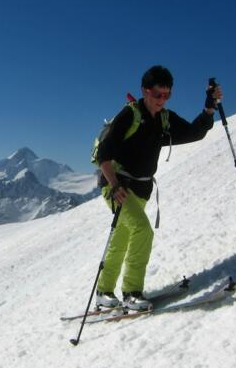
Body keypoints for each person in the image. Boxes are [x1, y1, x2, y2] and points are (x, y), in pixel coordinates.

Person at [94, 65, 222, 310]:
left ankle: (104, 290)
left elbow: (194, 132)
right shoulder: (130, 115)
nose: (162, 100)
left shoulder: (164, 118)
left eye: (167, 95)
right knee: (143, 230)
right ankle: (132, 292)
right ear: (145, 90)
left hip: (142, 189)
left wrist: (209, 108)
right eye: (157, 94)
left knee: (122, 237)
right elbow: (103, 155)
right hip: (118, 186)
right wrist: (114, 185)